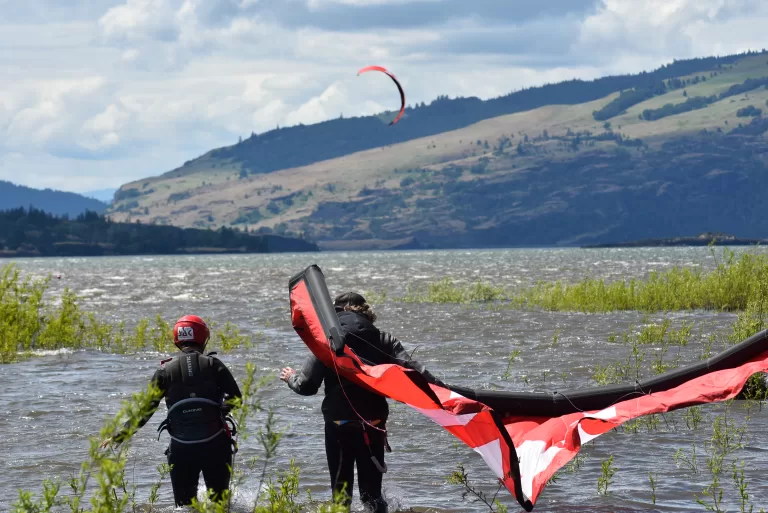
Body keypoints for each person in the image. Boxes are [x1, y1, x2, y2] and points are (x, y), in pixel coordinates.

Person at [280, 292, 445, 513]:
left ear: (332, 314)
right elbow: (416, 373)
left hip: (339, 424)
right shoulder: (384, 340)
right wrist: (446, 392)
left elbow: (307, 386)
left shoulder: (327, 341)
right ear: (367, 313)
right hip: (373, 423)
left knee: (341, 498)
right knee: (373, 497)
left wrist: (291, 377)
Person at [101, 315, 242, 507]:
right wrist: (216, 413)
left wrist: (119, 435)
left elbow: (145, 410)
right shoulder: (213, 365)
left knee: (184, 508)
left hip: (181, 449)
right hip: (216, 446)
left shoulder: (164, 371)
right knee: (220, 506)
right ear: (204, 338)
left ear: (177, 339)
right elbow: (236, 398)